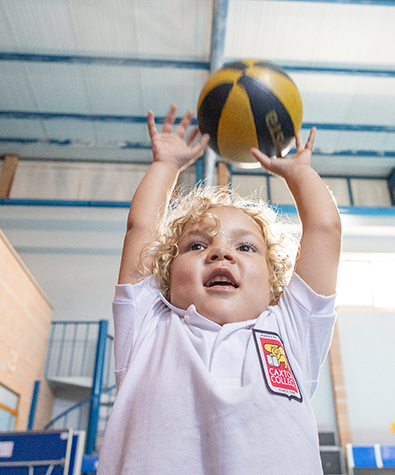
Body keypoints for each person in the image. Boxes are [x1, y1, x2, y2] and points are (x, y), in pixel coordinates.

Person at [97, 104, 342, 474]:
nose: (221, 252)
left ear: (275, 283)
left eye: (245, 247)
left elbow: (325, 230)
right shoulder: (149, 326)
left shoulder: (290, 329)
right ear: (166, 273)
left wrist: (300, 173)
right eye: (197, 246)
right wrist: (165, 165)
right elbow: (142, 228)